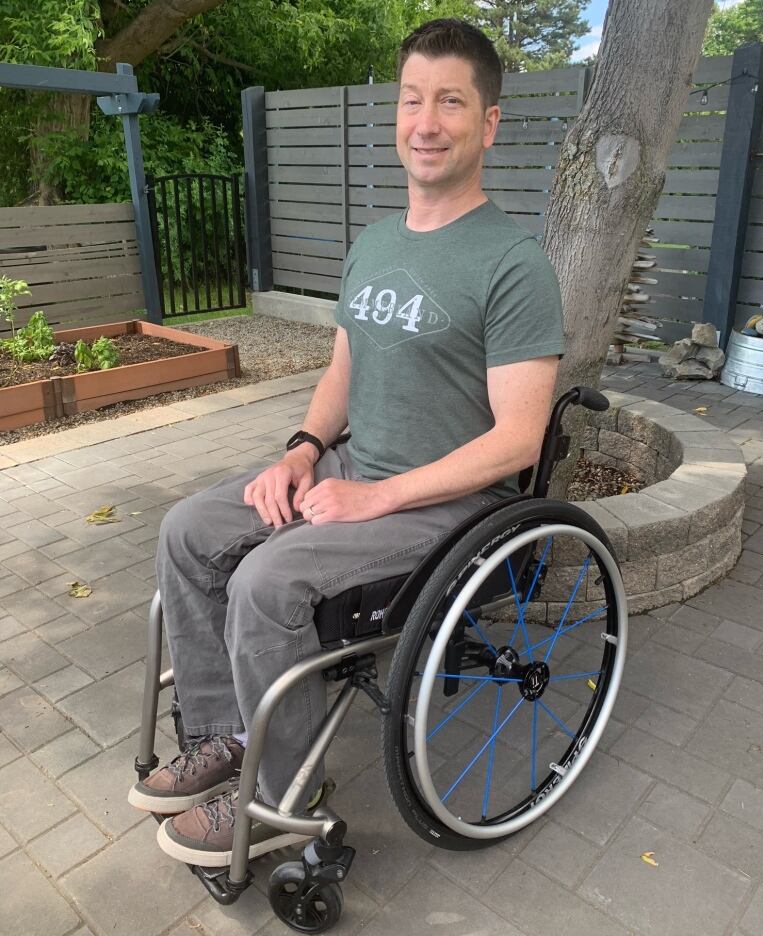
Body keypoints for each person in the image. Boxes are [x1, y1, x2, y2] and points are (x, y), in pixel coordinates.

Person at [128, 17, 565, 867]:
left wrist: (377, 496)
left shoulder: (514, 263)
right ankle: (223, 735)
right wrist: (299, 452)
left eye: (450, 101)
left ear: (489, 122)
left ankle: (280, 793)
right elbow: (341, 372)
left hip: (449, 505)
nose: (426, 121)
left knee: (264, 582)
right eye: (412, 100)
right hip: (350, 467)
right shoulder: (374, 242)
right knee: (188, 530)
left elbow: (519, 440)